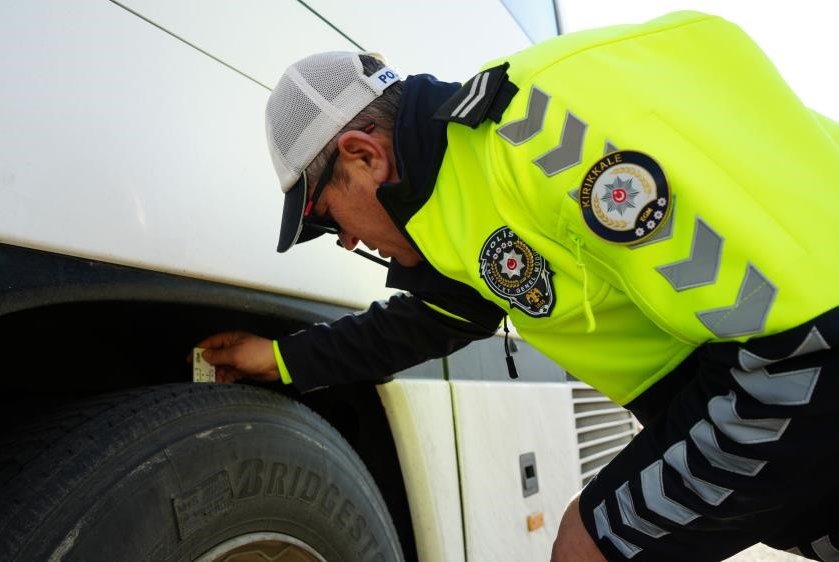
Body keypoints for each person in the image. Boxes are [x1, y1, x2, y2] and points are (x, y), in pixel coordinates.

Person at [196, 10, 839, 562]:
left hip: (803, 349)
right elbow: (436, 317)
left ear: (365, 156)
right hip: (781, 362)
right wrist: (280, 359)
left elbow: (792, 332)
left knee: (588, 542)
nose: (346, 241)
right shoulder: (466, 186)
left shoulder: (543, 139)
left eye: (324, 217)